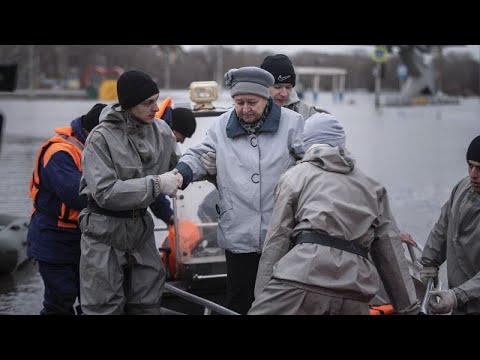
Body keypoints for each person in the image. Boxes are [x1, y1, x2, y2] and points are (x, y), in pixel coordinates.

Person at [248, 112, 419, 315]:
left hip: (302, 276)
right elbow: (390, 252)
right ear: (342, 144)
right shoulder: (373, 187)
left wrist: (263, 295)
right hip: (355, 288)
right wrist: (409, 309)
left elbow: (277, 240)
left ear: (306, 144)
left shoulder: (295, 176)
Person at [175, 66, 305, 314]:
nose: (245, 108)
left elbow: (309, 160)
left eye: (252, 102)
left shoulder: (292, 123)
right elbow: (198, 155)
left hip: (279, 234)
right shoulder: (222, 125)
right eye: (238, 102)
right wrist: (181, 173)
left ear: (266, 98)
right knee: (239, 301)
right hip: (238, 234)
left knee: (281, 302)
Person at [78, 70, 182, 315]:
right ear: (128, 104)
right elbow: (105, 192)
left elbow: (179, 167)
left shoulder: (162, 131)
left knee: (148, 301)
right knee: (103, 306)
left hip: (140, 228)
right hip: (103, 229)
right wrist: (156, 184)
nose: (156, 108)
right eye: (148, 102)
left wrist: (204, 166)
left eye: (156, 100)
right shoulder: (100, 138)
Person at [27, 103, 107, 315]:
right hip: (54, 237)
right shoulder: (59, 152)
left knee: (92, 301)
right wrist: (119, 196)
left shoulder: (98, 149)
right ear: (95, 132)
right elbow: (76, 195)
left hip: (85, 237)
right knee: (59, 301)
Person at [418, 135, 480, 315]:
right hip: (459, 303)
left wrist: (456, 296)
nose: (473, 174)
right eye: (470, 166)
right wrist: (429, 262)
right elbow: (443, 228)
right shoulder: (462, 188)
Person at [150, 105, 197, 226]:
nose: (182, 142)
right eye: (184, 136)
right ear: (174, 131)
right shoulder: (157, 138)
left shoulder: (156, 131)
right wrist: (170, 216)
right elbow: (153, 182)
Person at [260, 53, 329, 120]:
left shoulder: (308, 116)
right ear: (263, 86)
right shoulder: (250, 113)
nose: (284, 94)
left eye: (288, 87)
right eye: (278, 87)